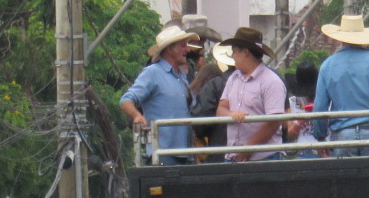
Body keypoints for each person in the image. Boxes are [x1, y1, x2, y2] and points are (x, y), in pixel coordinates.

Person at [311, 15, 369, 156]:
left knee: (345, 178)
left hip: (343, 134)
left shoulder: (328, 65)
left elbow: (320, 106)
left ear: (341, 38)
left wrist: (320, 136)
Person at [121, 24, 201, 164]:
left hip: (185, 153)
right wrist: (136, 115)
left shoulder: (181, 76)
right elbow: (126, 100)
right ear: (170, 49)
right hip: (163, 154)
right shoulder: (153, 72)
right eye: (182, 45)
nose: (187, 49)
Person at [215, 28, 288, 162]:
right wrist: (231, 114)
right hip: (235, 157)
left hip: (264, 158)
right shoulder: (233, 78)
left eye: (235, 51)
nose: (232, 56)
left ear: (246, 52)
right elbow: (221, 109)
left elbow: (274, 122)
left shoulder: (271, 81)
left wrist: (248, 148)